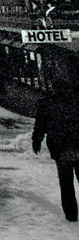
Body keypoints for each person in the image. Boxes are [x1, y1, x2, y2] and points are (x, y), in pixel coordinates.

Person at [32, 51, 79, 222]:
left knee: (66, 184)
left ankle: (71, 215)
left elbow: (40, 125)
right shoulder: (76, 101)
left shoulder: (47, 103)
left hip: (61, 149)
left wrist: (36, 141)